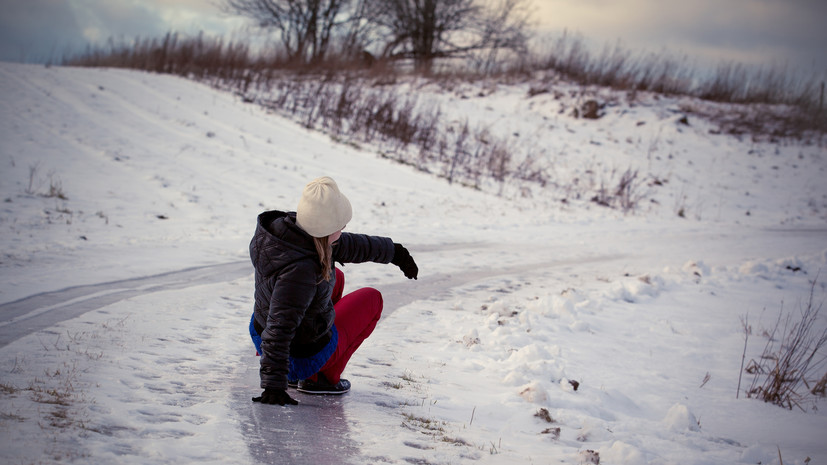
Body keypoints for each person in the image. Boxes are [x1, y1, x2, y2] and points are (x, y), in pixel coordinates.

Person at [249, 176, 418, 405]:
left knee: (335, 276)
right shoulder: (301, 272)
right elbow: (279, 328)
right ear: (325, 229)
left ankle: (295, 372)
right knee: (371, 299)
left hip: (264, 329)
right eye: (340, 226)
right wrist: (274, 385)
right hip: (296, 356)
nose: (343, 229)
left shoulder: (288, 232)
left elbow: (349, 245)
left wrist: (395, 253)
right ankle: (323, 379)